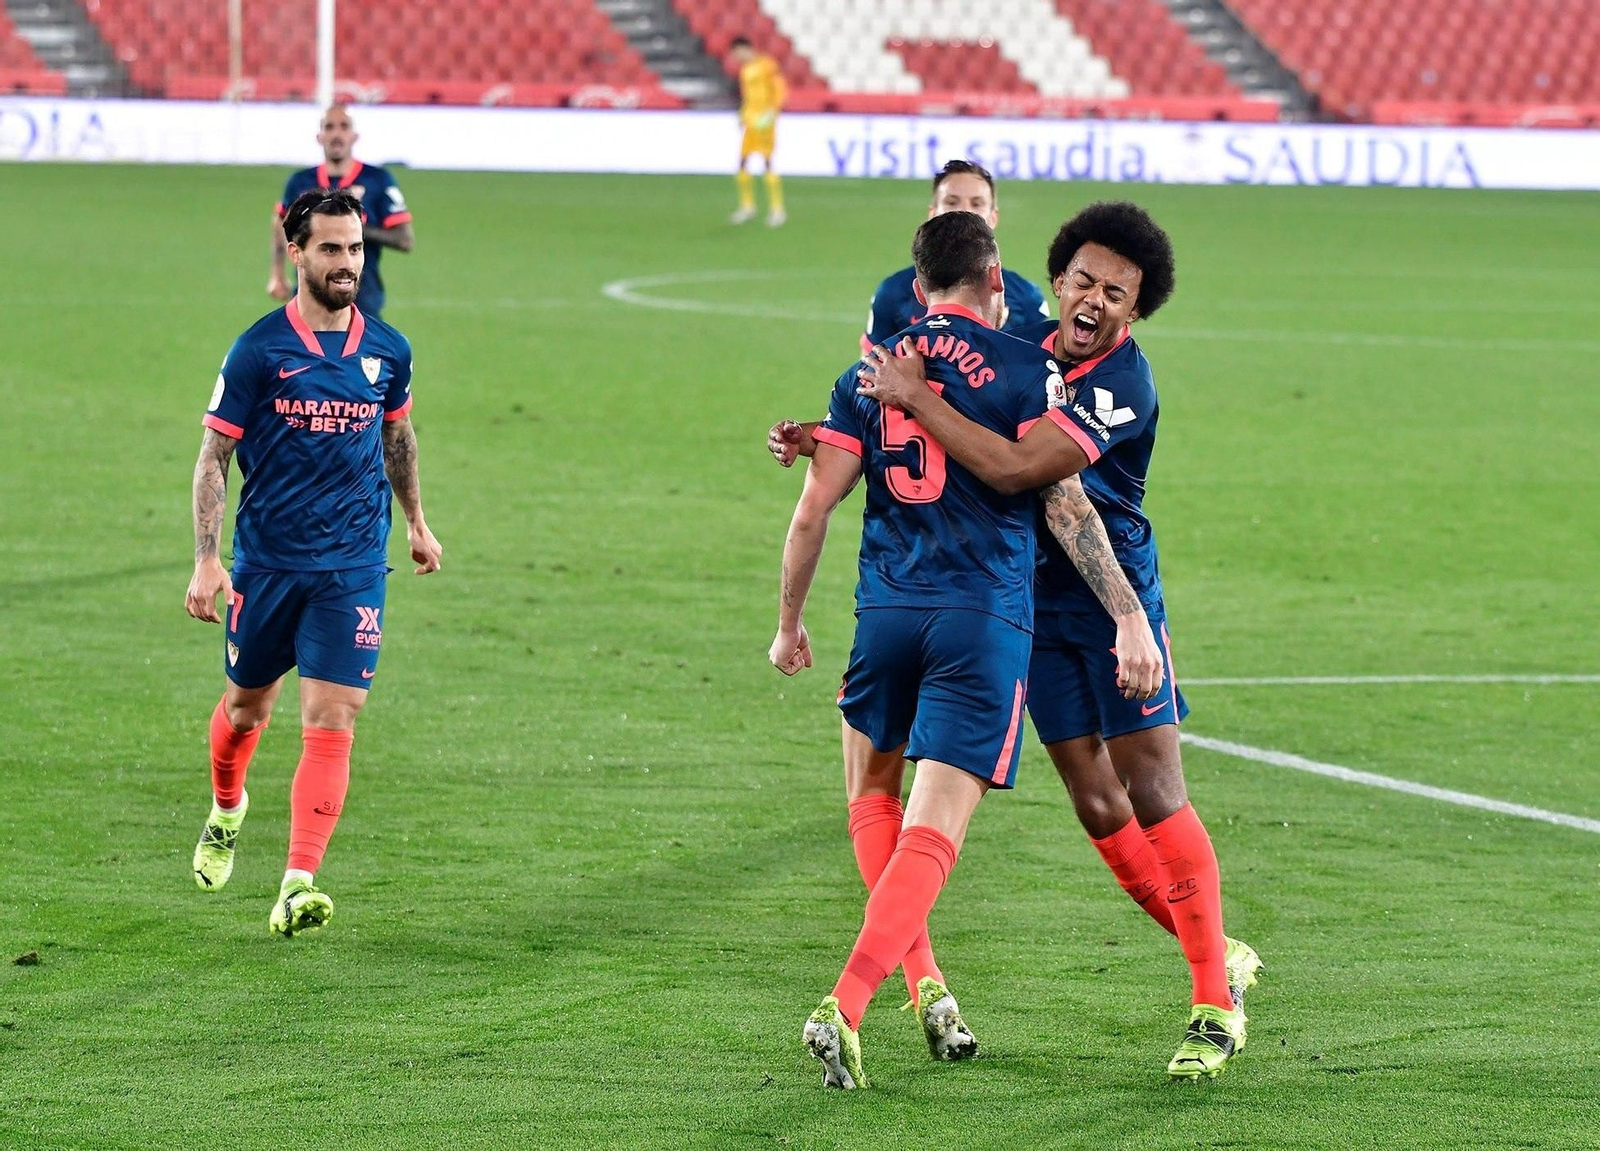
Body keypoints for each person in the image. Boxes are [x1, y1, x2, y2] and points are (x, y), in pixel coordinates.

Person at [855, 201, 1259, 1080]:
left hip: (1115, 601)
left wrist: (1129, 620)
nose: (1091, 300)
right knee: (1095, 801)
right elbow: (914, 436)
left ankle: (1213, 1003)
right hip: (1030, 607)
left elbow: (1019, 470)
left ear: (1135, 310)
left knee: (1152, 782)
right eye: (1081, 279)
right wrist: (829, 435)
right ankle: (1223, 949)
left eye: (1115, 292)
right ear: (1059, 278)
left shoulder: (1124, 383)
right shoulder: (1024, 346)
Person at [770, 211, 1089, 1089]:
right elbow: (1055, 496)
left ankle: (930, 985)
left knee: (874, 798)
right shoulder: (1031, 368)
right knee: (935, 830)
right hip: (983, 621)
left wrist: (789, 624)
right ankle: (845, 999)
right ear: (996, 283)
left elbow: (812, 512)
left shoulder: (866, 375)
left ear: (916, 288)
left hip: (887, 616)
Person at [189, 189, 442, 938]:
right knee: (246, 710)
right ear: (295, 252)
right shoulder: (258, 350)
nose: (347, 263)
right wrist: (207, 560)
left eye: (356, 248)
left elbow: (398, 438)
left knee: (333, 717)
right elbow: (214, 457)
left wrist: (418, 522)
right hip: (268, 562)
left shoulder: (388, 349)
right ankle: (228, 807)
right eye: (331, 249)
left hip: (353, 564)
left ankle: (298, 882)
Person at [861, 160, 1050, 354]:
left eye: (977, 203)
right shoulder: (892, 293)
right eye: (952, 202)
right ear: (933, 213)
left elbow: (1043, 372)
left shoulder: (1027, 298)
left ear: (993, 217)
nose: (964, 211)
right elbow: (869, 373)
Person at [268, 105, 413, 319]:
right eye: (330, 127)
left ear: (354, 136)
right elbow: (280, 223)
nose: (336, 134)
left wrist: (353, 228)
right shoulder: (300, 183)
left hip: (362, 302)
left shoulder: (378, 180)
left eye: (344, 127)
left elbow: (404, 240)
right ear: (320, 136)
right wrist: (277, 275)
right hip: (309, 303)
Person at [728, 37, 787, 227]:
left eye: (738, 53)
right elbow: (747, 97)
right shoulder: (744, 70)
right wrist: (742, 115)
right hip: (750, 121)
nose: (737, 57)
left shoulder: (767, 65)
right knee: (743, 161)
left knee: (767, 161)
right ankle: (747, 207)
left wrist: (772, 112)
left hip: (765, 121)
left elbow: (779, 89)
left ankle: (777, 210)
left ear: (746, 48)